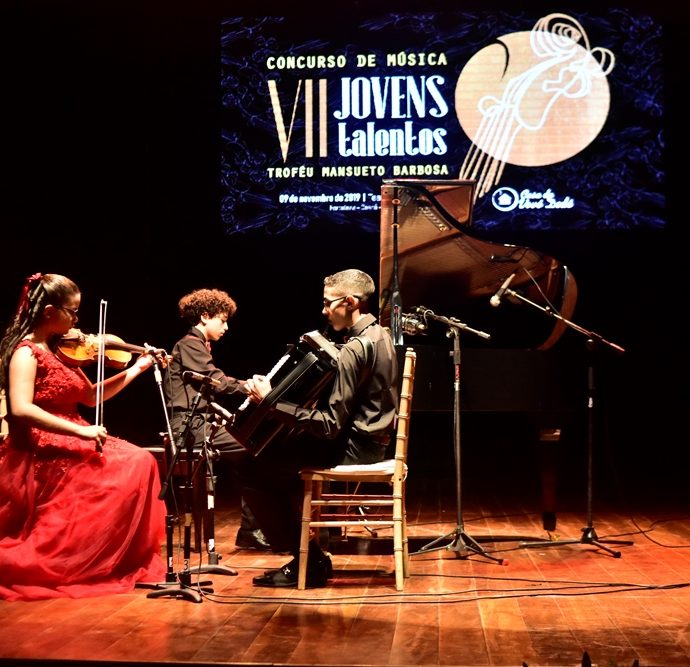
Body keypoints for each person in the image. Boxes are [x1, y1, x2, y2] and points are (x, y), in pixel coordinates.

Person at [0, 273, 167, 601]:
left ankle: (111, 558)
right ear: (50, 311)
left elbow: (89, 397)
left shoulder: (57, 351)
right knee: (125, 469)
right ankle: (78, 561)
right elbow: (20, 409)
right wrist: (82, 430)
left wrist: (135, 369)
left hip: (72, 432)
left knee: (141, 460)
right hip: (40, 444)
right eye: (72, 312)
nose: (77, 321)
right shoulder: (26, 352)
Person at [241, 269, 399, 587]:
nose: (324, 310)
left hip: (355, 449)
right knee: (275, 459)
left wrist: (270, 400)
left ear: (351, 301)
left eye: (328, 303)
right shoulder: (381, 336)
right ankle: (310, 552)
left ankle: (306, 560)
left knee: (252, 466)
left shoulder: (355, 350)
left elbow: (328, 425)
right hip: (374, 443)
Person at [164, 288, 269, 551]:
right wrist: (248, 387)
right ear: (205, 316)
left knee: (253, 451)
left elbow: (205, 390)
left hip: (199, 423)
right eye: (222, 320)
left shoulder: (197, 345)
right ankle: (252, 530)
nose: (226, 327)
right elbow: (216, 381)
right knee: (256, 451)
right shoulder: (189, 344)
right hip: (188, 428)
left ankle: (252, 529)